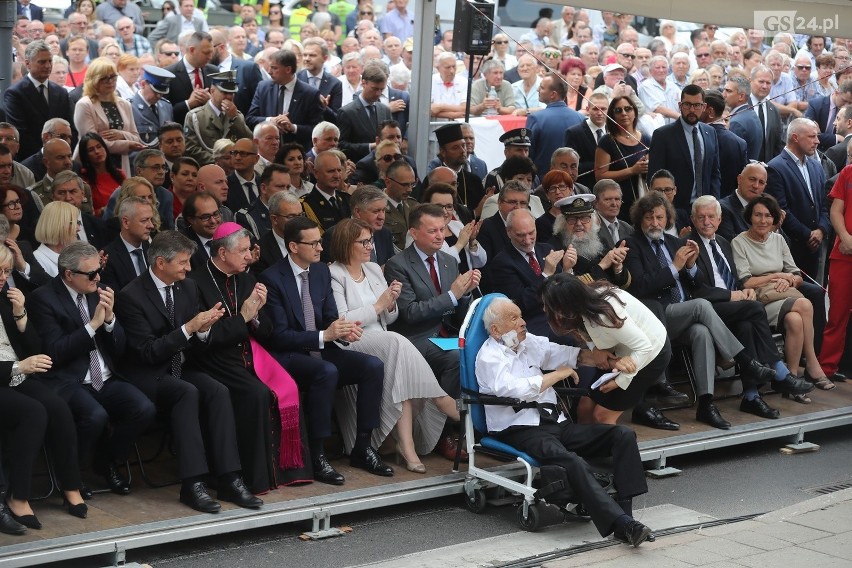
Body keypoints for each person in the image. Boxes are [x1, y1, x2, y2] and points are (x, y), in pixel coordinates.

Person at [475, 297, 653, 547]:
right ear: (496, 330)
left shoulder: (529, 343)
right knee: (571, 460)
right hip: (520, 429)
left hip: (555, 424)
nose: (523, 322)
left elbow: (569, 355)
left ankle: (626, 517)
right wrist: (556, 375)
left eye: (521, 316)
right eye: (514, 319)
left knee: (622, 435)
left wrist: (608, 360)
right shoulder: (489, 357)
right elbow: (513, 391)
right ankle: (621, 524)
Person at [624, 192, 777, 429]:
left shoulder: (675, 242)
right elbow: (640, 287)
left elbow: (698, 284)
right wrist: (675, 267)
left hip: (685, 315)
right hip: (656, 317)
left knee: (702, 333)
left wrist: (692, 266)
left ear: (668, 219)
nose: (655, 223)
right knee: (702, 306)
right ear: (639, 219)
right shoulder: (631, 244)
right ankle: (744, 359)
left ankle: (706, 403)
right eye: (649, 217)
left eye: (660, 217)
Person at [260, 216, 392, 485]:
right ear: (294, 247)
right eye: (314, 243)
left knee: (372, 366)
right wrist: (325, 335)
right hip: (288, 356)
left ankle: (363, 447)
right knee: (326, 371)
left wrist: (343, 332)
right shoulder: (271, 278)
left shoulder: (321, 272)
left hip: (322, 347)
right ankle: (318, 455)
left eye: (320, 242)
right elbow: (279, 336)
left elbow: (330, 316)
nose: (321, 248)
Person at [187, 223, 312, 490]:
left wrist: (256, 316)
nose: (249, 256)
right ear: (222, 253)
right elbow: (205, 338)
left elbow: (266, 332)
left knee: (289, 387)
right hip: (214, 360)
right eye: (243, 251)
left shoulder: (247, 278)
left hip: (250, 355)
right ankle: (255, 478)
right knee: (257, 394)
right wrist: (243, 317)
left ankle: (288, 471)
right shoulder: (195, 284)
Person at [329, 218, 460, 472]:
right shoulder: (335, 273)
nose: (370, 246)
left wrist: (390, 304)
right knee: (397, 341)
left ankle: (406, 447)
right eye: (364, 242)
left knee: (398, 361)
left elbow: (389, 318)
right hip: (353, 341)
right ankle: (441, 398)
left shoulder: (374, 270)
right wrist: (378, 305)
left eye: (370, 241)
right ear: (346, 244)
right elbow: (342, 321)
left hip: (383, 338)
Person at [28, 241, 157, 497]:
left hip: (105, 376)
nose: (98, 277)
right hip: (68, 379)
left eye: (99, 271)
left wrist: (109, 322)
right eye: (91, 274)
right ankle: (72, 475)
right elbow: (55, 352)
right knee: (94, 416)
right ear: (68, 274)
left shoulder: (102, 290)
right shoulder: (43, 298)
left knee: (143, 409)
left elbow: (120, 348)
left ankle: (105, 462)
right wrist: (92, 325)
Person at [688, 196, 815, 416]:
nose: (707, 221)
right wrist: (734, 294)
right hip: (708, 307)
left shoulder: (723, 243)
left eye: (711, 217)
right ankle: (779, 369)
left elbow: (738, 280)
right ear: (693, 219)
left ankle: (751, 396)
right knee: (755, 308)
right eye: (701, 217)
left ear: (719, 220)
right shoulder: (689, 245)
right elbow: (697, 289)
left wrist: (744, 291)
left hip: (733, 306)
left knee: (747, 325)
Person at [0, 244, 87, 530]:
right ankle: (17, 495)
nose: (3, 277)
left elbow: (35, 349)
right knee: (32, 411)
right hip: (8, 374)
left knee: (57, 407)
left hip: (16, 374)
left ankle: (70, 486)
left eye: (7, 271)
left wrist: (20, 314)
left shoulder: (5, 297)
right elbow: (22, 363)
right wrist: (18, 367)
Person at [384, 204, 481, 461]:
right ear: (414, 233)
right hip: (415, 338)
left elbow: (459, 314)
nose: (440, 236)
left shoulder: (449, 260)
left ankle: (476, 426)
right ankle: (444, 433)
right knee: (455, 359)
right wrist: (453, 294)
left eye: (443, 230)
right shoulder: (398, 264)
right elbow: (411, 313)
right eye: (432, 231)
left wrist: (467, 292)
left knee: (479, 354)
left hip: (446, 334)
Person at [731, 194, 832, 395]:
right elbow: (746, 281)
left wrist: (789, 280)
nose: (763, 220)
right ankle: (812, 362)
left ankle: (790, 377)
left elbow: (796, 274)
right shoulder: (739, 242)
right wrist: (776, 276)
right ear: (750, 216)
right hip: (760, 301)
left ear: (774, 218)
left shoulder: (778, 239)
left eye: (768, 216)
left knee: (795, 320)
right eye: (758, 215)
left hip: (786, 296)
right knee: (805, 305)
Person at [540, 273, 670, 425]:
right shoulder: (581, 306)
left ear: (566, 304)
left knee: (602, 416)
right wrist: (595, 349)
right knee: (584, 408)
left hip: (650, 353)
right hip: (620, 352)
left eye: (548, 305)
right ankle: (586, 446)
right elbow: (587, 333)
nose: (544, 309)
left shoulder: (605, 312)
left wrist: (621, 381)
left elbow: (644, 347)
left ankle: (615, 446)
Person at [765, 118, 830, 282]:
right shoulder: (775, 167)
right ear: (795, 137)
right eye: (812, 136)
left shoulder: (816, 166)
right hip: (792, 248)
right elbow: (781, 210)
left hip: (815, 246)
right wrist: (808, 235)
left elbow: (824, 203)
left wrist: (821, 230)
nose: (817, 141)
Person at [647, 85, 721, 215]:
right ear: (680, 105)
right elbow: (654, 178)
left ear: (704, 107)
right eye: (687, 105)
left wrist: (714, 202)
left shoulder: (710, 132)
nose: (692, 110)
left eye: (697, 105)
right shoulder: (663, 135)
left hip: (705, 210)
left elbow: (714, 173)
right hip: (675, 210)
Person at [74, 58, 145, 183]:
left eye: (113, 77)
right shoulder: (85, 105)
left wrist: (121, 134)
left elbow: (135, 138)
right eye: (104, 78)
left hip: (120, 164)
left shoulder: (124, 104)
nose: (110, 81)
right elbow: (91, 144)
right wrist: (127, 144)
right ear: (93, 80)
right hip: (93, 167)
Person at [4, 40, 76, 162]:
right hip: (32, 161)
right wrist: (47, 155)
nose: (47, 66)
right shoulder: (15, 93)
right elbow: (19, 133)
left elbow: (71, 128)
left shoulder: (61, 93)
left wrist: (63, 154)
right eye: (42, 62)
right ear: (28, 64)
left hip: (62, 160)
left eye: (49, 61)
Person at [246, 49, 323, 150]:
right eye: (269, 67)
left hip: (295, 152)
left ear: (288, 69)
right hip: (267, 152)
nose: (269, 72)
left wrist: (292, 127)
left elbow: (317, 130)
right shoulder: (263, 87)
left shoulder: (310, 93)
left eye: (274, 68)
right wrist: (270, 120)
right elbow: (250, 119)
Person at [819, 165, 852, 382]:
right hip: (845, 253)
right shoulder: (848, 172)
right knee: (837, 315)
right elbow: (835, 210)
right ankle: (825, 368)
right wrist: (845, 237)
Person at [595, 96, 651, 220]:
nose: (624, 113)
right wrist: (632, 171)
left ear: (635, 112)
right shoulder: (607, 141)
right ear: (612, 115)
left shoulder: (646, 138)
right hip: (619, 205)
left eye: (628, 109)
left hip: (645, 202)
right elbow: (600, 176)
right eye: (618, 110)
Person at [184, 70, 253, 167]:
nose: (229, 97)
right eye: (224, 92)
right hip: (207, 168)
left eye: (232, 93)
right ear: (212, 91)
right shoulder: (195, 116)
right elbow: (191, 149)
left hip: (234, 169)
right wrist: (219, 161)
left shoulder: (237, 116)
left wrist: (235, 118)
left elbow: (249, 141)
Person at [526, 72, 584, 176]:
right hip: (573, 182)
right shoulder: (580, 118)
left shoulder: (536, 118)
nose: (538, 90)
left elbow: (527, 153)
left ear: (553, 94)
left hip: (543, 182)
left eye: (542, 88)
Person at [77, 132, 126, 216]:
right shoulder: (83, 178)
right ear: (85, 155)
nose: (97, 151)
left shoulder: (119, 174)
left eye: (99, 147)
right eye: (91, 150)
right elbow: (86, 213)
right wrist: (105, 210)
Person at [32, 200, 78, 277]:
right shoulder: (38, 260)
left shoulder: (74, 254)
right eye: (72, 223)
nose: (78, 228)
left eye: (78, 222)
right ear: (58, 226)